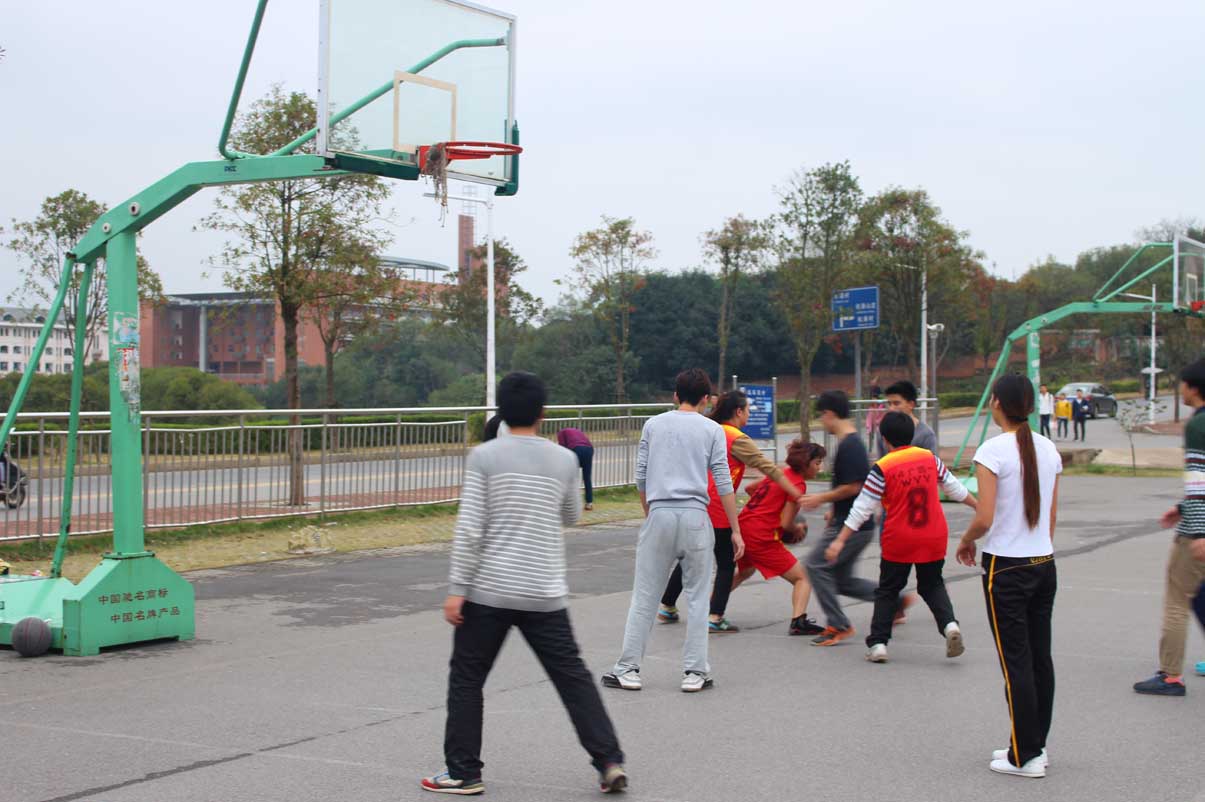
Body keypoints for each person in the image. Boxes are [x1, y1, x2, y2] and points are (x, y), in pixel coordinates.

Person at [424, 372, 626, 796]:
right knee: (572, 678)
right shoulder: (564, 460)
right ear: (542, 413)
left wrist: (457, 588)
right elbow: (571, 516)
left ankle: (463, 772)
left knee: (467, 678)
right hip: (543, 591)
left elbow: (470, 527)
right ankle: (608, 761)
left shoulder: (484, 456)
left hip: (489, 590)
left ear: (500, 412)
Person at [602, 369, 744, 694]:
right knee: (697, 598)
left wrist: (650, 513)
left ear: (675, 396)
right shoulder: (712, 429)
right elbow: (723, 481)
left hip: (660, 512)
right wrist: (735, 529)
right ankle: (695, 672)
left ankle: (628, 669)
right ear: (706, 399)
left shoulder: (653, 425)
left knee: (645, 595)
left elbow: (641, 475)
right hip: (696, 517)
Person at [955, 373, 1062, 779]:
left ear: (996, 402)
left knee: (1015, 661)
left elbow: (984, 517)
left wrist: (966, 540)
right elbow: (1050, 517)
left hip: (1007, 568)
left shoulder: (992, 450)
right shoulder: (1048, 448)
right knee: (1039, 659)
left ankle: (1024, 756)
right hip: (1043, 563)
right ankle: (1034, 744)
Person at [826, 412, 978, 663]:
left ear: (884, 439)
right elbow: (954, 488)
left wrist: (840, 539)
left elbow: (862, 508)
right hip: (933, 534)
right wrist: (978, 507)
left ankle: (878, 644)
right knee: (932, 583)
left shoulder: (883, 467)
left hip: (900, 537)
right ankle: (950, 625)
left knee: (888, 589)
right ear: (911, 435)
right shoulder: (929, 458)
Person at [659, 390, 805, 633]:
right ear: (738, 412)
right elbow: (768, 468)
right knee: (726, 564)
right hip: (716, 507)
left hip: (694, 502)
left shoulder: (710, 430)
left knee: (689, 556)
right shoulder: (736, 438)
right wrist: (796, 493)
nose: (748, 414)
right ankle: (715, 617)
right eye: (747, 410)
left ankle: (667, 606)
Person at [1133, 357, 1205, 697]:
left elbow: (1199, 480)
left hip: (1197, 533)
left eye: (1182, 384)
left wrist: (1200, 531)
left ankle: (1170, 676)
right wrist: (1181, 507)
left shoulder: (1198, 425)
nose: (1181, 390)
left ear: (1193, 388)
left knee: (1177, 600)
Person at [800, 390, 878, 647]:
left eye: (821, 416)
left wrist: (821, 498)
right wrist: (833, 509)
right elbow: (849, 486)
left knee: (815, 565)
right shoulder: (848, 444)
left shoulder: (851, 446)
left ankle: (838, 625)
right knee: (842, 580)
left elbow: (854, 486)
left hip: (852, 525)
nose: (822, 422)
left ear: (829, 414)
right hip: (853, 522)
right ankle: (893, 599)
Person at [730, 439, 826, 635]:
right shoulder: (797, 484)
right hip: (761, 536)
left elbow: (750, 489)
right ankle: (798, 622)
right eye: (817, 463)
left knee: (745, 571)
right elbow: (785, 524)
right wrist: (797, 529)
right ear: (805, 464)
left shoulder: (781, 472)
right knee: (803, 577)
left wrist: (768, 506)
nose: (820, 467)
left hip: (744, 526)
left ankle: (709, 607)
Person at [884, 380, 937, 452]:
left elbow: (931, 458)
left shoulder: (926, 435)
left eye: (896, 403)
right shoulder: (883, 432)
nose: (891, 408)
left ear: (911, 404)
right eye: (889, 404)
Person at [557, 427, 596, 511]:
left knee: (573, 478)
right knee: (587, 477)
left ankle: (571, 503)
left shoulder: (561, 433)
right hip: (589, 449)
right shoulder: (577, 431)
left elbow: (563, 449)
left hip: (576, 449)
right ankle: (589, 503)